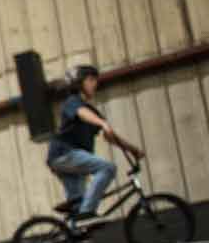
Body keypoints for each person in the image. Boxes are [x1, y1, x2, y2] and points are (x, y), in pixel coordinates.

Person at [46, 64, 144, 224]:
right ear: (78, 84)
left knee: (78, 208)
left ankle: (77, 239)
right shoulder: (72, 102)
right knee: (107, 168)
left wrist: (133, 150)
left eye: (95, 80)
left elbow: (111, 137)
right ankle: (87, 215)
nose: (95, 84)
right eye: (90, 80)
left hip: (69, 162)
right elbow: (82, 114)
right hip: (64, 154)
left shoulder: (92, 111)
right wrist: (101, 123)